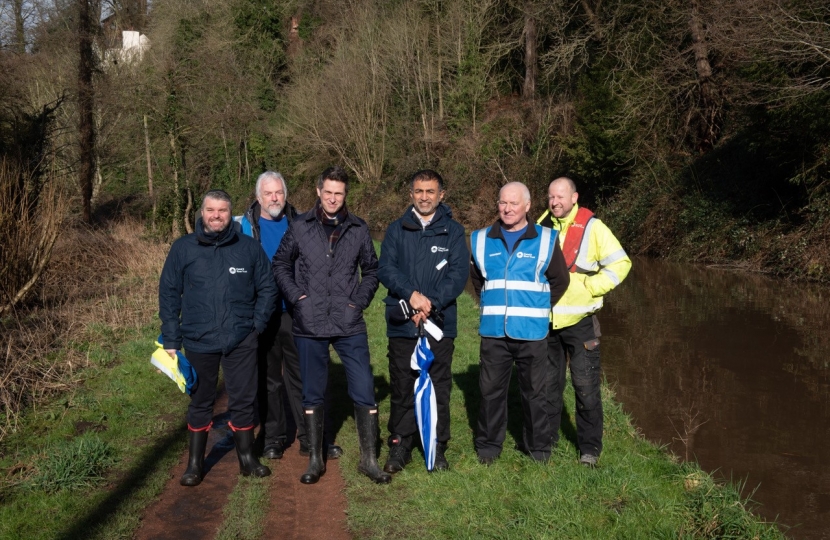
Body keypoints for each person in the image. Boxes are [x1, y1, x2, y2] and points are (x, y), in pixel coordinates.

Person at [272, 166, 391, 485]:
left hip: (348, 322)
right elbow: (281, 263)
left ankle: (369, 460)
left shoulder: (359, 228)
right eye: (328, 192)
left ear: (345, 194)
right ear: (318, 191)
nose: (333, 198)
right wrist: (298, 297)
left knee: (364, 387)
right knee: (312, 392)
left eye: (339, 193)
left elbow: (372, 270)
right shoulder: (299, 227)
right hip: (309, 321)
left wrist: (358, 302)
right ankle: (314, 459)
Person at [159, 189, 276, 487]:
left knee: (244, 400)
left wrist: (256, 326)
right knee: (201, 401)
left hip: (241, 339)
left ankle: (247, 459)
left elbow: (268, 288)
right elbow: (169, 294)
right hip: (198, 339)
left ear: (230, 213)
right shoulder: (183, 248)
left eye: (222, 211)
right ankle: (195, 465)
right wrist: (172, 338)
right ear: (202, 212)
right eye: (211, 210)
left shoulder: (248, 248)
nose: (216, 216)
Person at [238, 171, 343, 461]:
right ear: (258, 197)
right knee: (269, 380)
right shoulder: (244, 227)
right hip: (262, 315)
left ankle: (312, 438)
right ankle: (273, 438)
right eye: (268, 193)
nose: (274, 198)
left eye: (279, 193)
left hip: (297, 312)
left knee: (304, 377)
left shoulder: (302, 224)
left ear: (286, 195)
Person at [470, 182, 569, 464]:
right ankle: (488, 447)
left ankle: (538, 449)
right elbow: (478, 280)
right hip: (493, 333)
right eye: (503, 203)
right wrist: (491, 306)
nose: (508, 208)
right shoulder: (479, 239)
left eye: (514, 203)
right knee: (490, 393)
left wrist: (536, 309)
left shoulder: (546, 238)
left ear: (527, 206)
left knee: (535, 394)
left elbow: (560, 281)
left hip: (533, 333)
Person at [377, 169, 469, 473]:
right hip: (402, 320)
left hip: (439, 322)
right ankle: (400, 443)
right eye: (419, 191)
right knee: (402, 383)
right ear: (411, 194)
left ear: (441, 195)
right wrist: (411, 295)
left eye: (430, 191)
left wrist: (431, 303)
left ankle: (437, 446)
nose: (424, 197)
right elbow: (386, 269)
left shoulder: (454, 231)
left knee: (438, 385)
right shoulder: (395, 229)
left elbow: (458, 275)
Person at [537, 177, 632, 468]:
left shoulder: (593, 227)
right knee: (549, 386)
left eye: (561, 197)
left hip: (581, 322)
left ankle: (589, 449)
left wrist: (592, 288)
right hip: (547, 320)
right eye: (551, 197)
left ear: (574, 197)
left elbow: (621, 263)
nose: (555, 202)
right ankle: (548, 442)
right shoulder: (542, 226)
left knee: (586, 387)